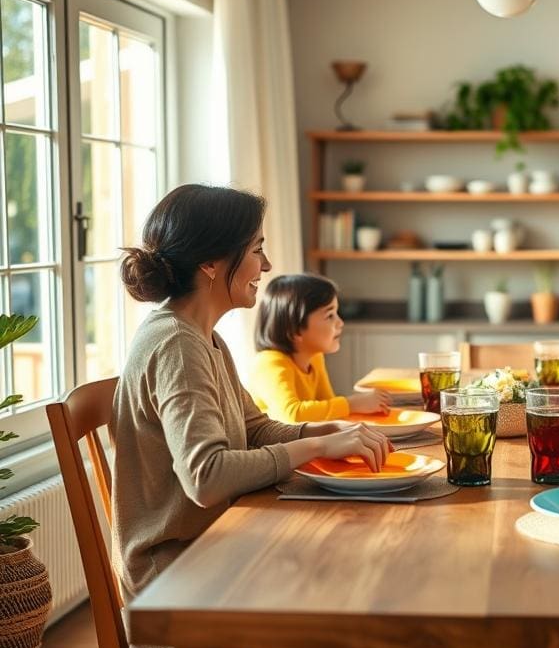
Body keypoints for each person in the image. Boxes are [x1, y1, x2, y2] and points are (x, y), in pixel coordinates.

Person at [111, 184, 390, 605]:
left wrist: (322, 431)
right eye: (257, 249)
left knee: (351, 563)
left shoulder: (204, 338)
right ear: (210, 262)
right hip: (174, 579)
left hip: (214, 546)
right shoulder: (177, 345)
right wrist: (316, 444)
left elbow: (254, 428)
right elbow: (206, 479)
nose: (267, 264)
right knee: (353, 581)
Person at [249, 274, 390, 423]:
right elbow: (292, 415)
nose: (340, 322)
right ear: (295, 329)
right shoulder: (269, 363)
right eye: (330, 316)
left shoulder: (315, 357)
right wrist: (352, 404)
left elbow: (328, 408)